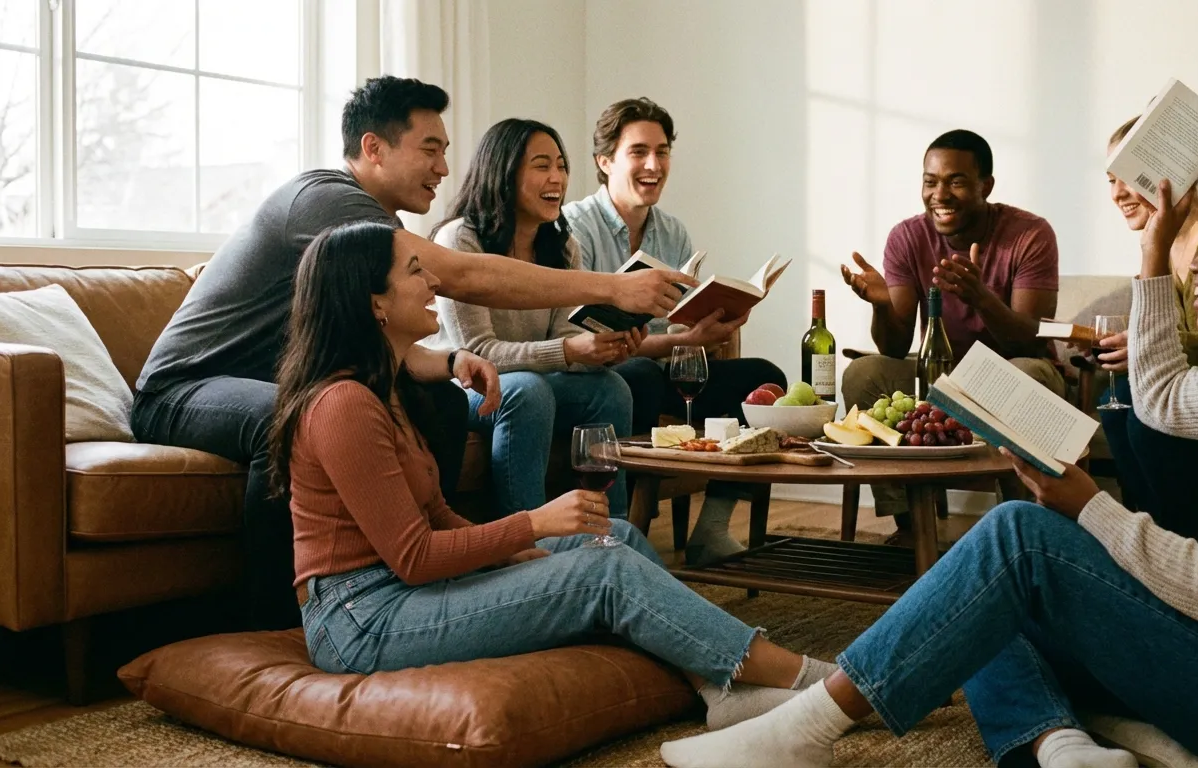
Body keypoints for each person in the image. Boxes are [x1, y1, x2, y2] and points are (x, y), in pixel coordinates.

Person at [660, 142, 1198, 768]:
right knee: (980, 596)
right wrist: (1150, 248)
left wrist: (1090, 509)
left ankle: (809, 727)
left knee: (1019, 540)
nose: (1196, 263)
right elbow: (1163, 397)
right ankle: (1059, 745)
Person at [131, 76, 693, 632]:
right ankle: (273, 624)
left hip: (291, 381)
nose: (445, 168)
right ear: (373, 148)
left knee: (441, 402)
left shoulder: (380, 224)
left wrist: (447, 364)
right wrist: (610, 288)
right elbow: (462, 275)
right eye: (430, 149)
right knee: (290, 416)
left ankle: (440, 566)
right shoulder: (325, 202)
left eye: (445, 152)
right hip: (187, 387)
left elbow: (366, 345)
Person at [272, 219, 837, 731]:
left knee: (615, 537)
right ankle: (814, 682)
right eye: (415, 272)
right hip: (362, 621)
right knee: (603, 571)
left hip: (397, 592)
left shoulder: (385, 387)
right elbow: (415, 557)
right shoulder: (344, 404)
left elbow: (435, 515)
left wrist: (518, 554)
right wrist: (532, 526)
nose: (433, 284)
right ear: (375, 304)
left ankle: (718, 685)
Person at [563, 97, 787, 564]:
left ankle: (712, 529)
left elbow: (676, 324)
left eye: (662, 152)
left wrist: (712, 324)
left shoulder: (671, 231)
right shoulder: (574, 229)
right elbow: (598, 339)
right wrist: (682, 340)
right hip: (603, 372)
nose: (653, 165)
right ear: (605, 162)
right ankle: (627, 535)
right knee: (639, 374)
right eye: (638, 152)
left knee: (762, 377)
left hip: (664, 365)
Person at [838, 129, 1062, 544]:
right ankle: (909, 523)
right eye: (930, 181)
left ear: (985, 186)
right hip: (940, 376)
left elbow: (1028, 339)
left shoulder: (1030, 235)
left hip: (1013, 373)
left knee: (1028, 372)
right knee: (863, 374)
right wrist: (881, 305)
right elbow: (894, 347)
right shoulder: (906, 237)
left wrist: (982, 298)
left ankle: (1019, 525)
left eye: (956, 181)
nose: (940, 194)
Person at [427, 119, 637, 520]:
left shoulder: (563, 245)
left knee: (611, 388)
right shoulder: (459, 240)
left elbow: (562, 333)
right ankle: (528, 535)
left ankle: (613, 528)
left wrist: (600, 349)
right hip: (463, 384)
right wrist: (568, 351)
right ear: (503, 174)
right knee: (527, 390)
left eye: (561, 165)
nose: (557, 177)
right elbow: (480, 352)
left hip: (528, 379)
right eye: (542, 165)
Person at [1095, 116, 1198, 538]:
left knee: (1144, 416)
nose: (1118, 193)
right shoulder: (1160, 242)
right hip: (1181, 381)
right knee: (1114, 397)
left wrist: (1157, 346)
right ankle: (1150, 530)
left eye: (1128, 177)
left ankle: (1184, 540)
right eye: (1111, 180)